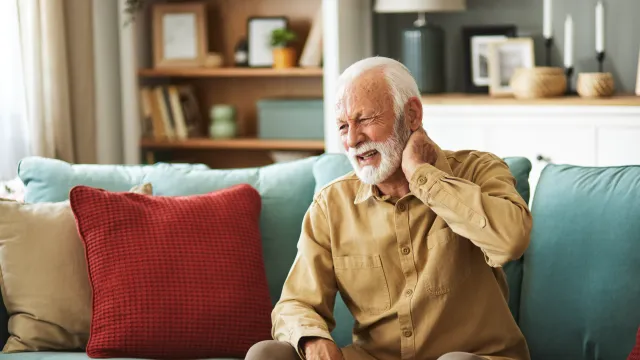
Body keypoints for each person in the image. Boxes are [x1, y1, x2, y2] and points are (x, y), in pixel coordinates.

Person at [245, 57, 532, 360]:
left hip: (471, 356)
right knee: (266, 354)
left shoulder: (478, 170)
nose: (352, 139)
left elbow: (510, 241)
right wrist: (311, 341)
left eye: (365, 119)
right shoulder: (332, 206)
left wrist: (422, 176)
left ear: (411, 114)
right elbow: (295, 304)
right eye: (343, 126)